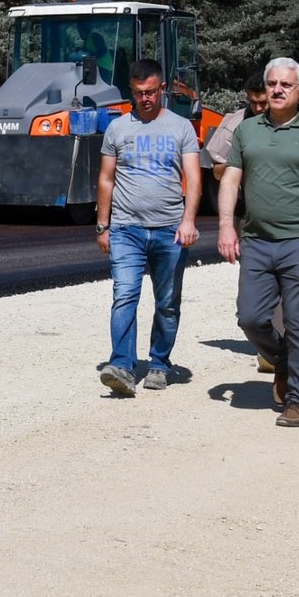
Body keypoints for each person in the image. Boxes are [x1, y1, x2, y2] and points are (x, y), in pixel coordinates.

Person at [214, 58, 299, 428]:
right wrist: (227, 227)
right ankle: (284, 358)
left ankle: (298, 400)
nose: (276, 90)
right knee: (251, 318)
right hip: (256, 240)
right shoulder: (247, 131)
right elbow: (230, 181)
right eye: (272, 83)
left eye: (285, 85)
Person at [95, 60, 202, 397]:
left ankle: (159, 363)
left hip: (170, 229)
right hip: (126, 228)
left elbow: (194, 177)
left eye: (152, 92)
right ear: (132, 91)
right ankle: (123, 365)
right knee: (124, 294)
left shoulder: (181, 127)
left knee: (167, 302)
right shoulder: (117, 130)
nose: (146, 99)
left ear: (162, 89)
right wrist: (103, 225)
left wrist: (188, 220)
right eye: (140, 93)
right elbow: (106, 178)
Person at [206, 70, 280, 371]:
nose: (259, 109)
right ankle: (269, 346)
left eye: (263, 102)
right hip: (250, 213)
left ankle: (276, 352)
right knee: (258, 287)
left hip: (290, 213)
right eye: (253, 103)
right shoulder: (235, 123)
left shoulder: (291, 120)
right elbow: (217, 170)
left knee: (287, 289)